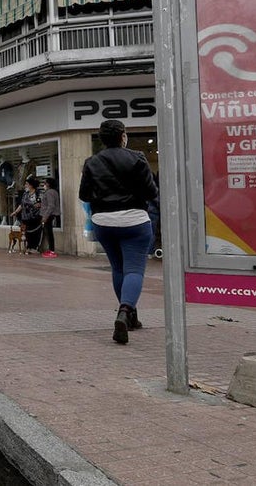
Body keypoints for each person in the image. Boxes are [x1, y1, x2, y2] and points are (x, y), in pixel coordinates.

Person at [78, 119, 158, 345]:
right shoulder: (138, 158)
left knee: (118, 268)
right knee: (134, 269)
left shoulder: (91, 162)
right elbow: (152, 191)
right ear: (123, 136)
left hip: (104, 222)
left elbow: (84, 195)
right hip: (135, 221)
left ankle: (130, 316)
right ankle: (124, 311)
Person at [10, 177, 43, 253]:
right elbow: (21, 205)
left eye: (27, 184)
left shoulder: (38, 193)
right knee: (27, 233)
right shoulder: (25, 194)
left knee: (35, 232)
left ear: (31, 185)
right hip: (25, 217)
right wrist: (15, 212)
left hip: (35, 217)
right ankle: (28, 247)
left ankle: (34, 247)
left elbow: (41, 204)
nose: (25, 186)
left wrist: (37, 205)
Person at [39, 177, 60, 258]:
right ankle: (51, 249)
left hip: (49, 215)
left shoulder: (50, 192)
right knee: (48, 232)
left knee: (49, 232)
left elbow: (51, 205)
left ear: (48, 184)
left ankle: (52, 250)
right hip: (49, 214)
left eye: (45, 183)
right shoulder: (52, 192)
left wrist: (45, 216)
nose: (44, 184)